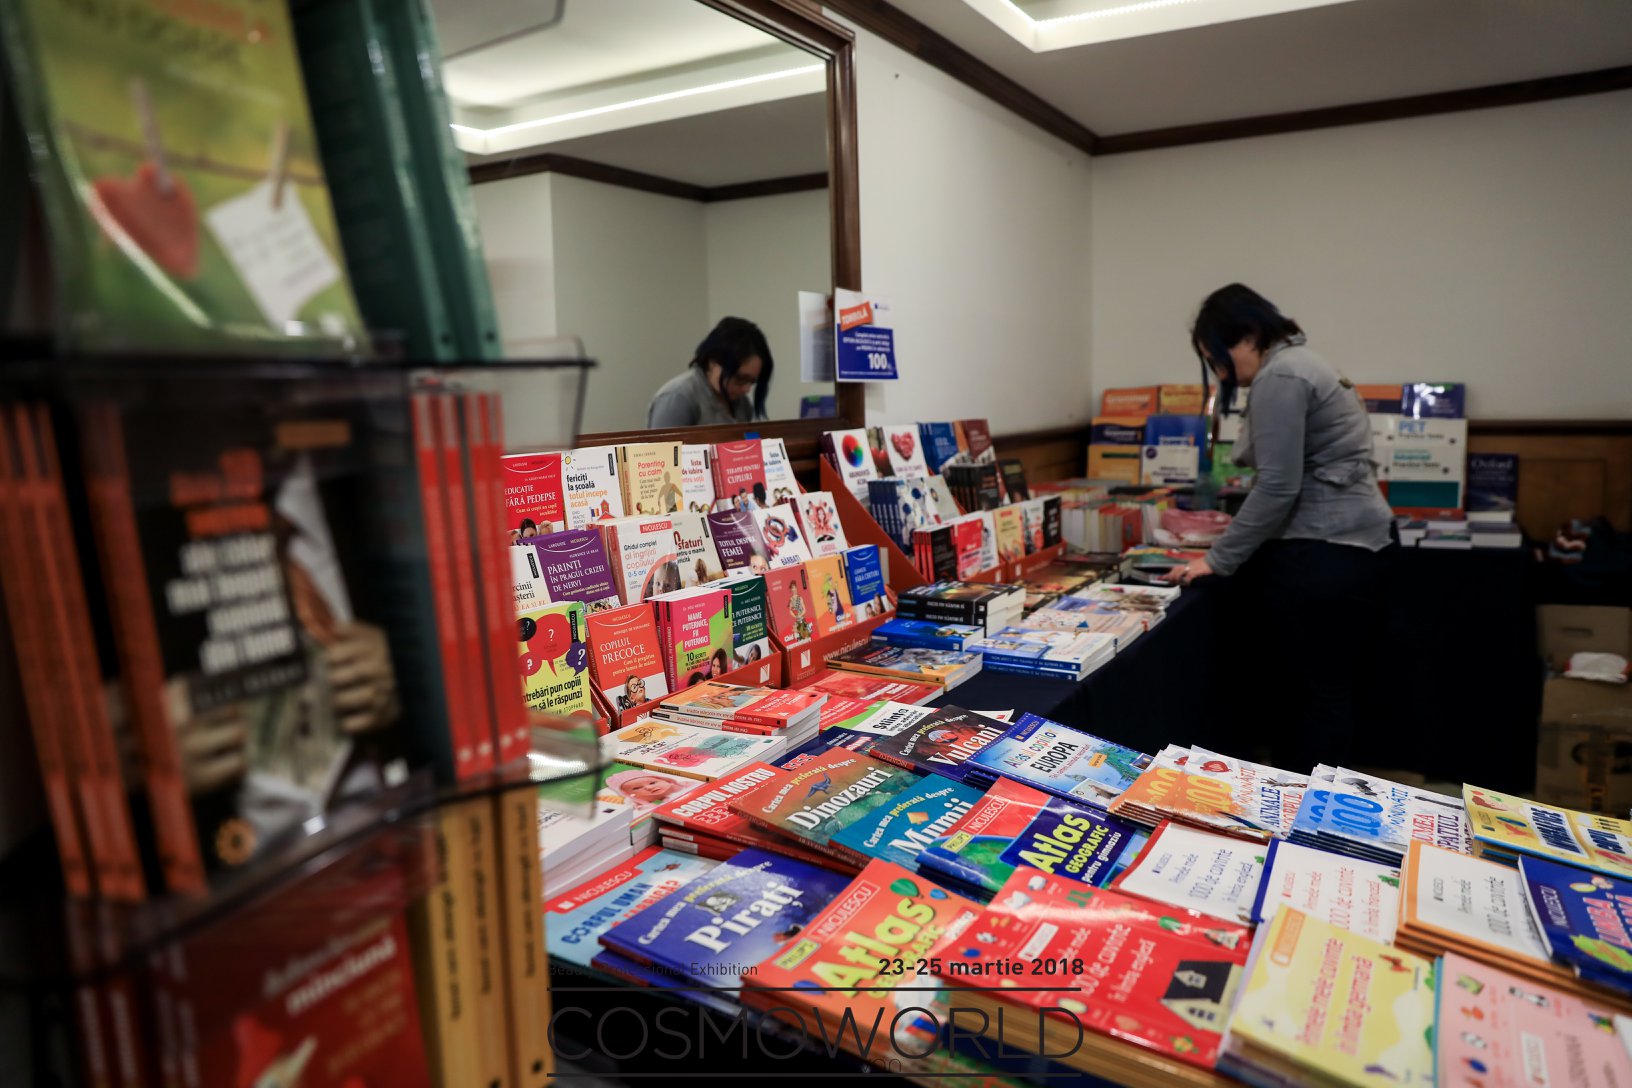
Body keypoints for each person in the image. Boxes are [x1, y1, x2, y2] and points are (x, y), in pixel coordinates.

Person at [1162, 283, 1395, 770]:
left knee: (1316, 694)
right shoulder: (1302, 363)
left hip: (1327, 548)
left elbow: (1277, 486)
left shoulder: (1282, 375)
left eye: (1217, 358)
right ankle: (1314, 792)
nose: (1221, 373)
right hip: (1351, 544)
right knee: (1325, 689)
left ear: (1247, 335)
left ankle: (1306, 800)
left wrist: (1216, 558)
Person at [647, 317, 774, 428]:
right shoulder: (678, 398)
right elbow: (663, 449)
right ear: (712, 362)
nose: (746, 389)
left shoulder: (741, 403)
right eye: (740, 379)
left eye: (752, 381)